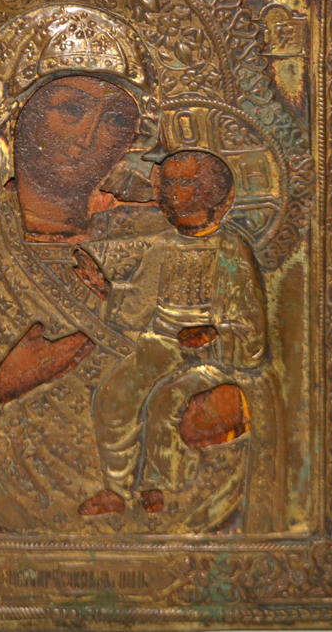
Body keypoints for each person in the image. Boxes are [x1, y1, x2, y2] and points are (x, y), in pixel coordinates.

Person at [77, 150, 267, 516]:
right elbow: (137, 307)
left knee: (167, 402)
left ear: (209, 191)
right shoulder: (164, 247)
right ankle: (116, 490)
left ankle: (160, 490)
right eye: (169, 184)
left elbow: (252, 333)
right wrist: (105, 289)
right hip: (159, 346)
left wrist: (213, 335)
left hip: (208, 357)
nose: (171, 191)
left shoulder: (231, 251)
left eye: (183, 183)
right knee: (113, 398)